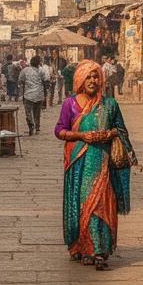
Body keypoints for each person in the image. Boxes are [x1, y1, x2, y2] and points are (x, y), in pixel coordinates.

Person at [54, 59, 132, 270]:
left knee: (102, 204)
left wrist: (107, 134)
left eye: (96, 76)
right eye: (88, 76)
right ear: (79, 79)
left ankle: (99, 250)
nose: (92, 80)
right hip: (78, 163)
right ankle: (84, 247)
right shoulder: (69, 104)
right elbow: (59, 130)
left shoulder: (110, 105)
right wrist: (82, 135)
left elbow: (121, 130)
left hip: (103, 163)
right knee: (82, 205)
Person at [19, 55, 47, 135]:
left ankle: (31, 125)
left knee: (28, 112)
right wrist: (45, 94)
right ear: (39, 63)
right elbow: (44, 82)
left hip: (28, 95)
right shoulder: (41, 71)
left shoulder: (25, 70)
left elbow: (20, 81)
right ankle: (37, 127)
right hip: (39, 94)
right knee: (37, 112)